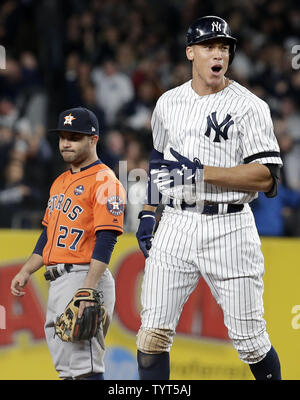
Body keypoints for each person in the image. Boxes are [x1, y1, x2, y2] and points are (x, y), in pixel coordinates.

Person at [135, 16, 283, 380]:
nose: (218, 53)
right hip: (177, 222)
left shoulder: (249, 106)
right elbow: (158, 160)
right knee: (152, 334)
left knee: (251, 340)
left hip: (230, 225)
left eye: (224, 47)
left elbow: (267, 176)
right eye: (209, 46)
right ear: (191, 53)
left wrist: (203, 173)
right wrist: (150, 211)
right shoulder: (168, 102)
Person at [10, 107, 126, 380]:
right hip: (60, 279)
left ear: (93, 139)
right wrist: (26, 270)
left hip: (82, 276)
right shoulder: (61, 181)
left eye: (74, 137)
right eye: (63, 136)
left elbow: (107, 238)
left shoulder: (105, 181)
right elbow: (48, 234)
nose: (65, 143)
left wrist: (88, 289)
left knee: (84, 368)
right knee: (67, 370)